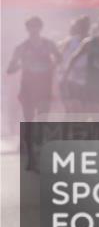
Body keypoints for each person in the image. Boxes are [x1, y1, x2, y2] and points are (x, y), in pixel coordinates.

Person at [6, 16, 61, 170]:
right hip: (28, 89)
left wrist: (51, 66)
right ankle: (31, 157)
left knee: (43, 122)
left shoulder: (48, 44)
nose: (34, 29)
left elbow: (60, 58)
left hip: (44, 88)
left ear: (40, 28)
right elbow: (10, 70)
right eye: (31, 27)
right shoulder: (21, 47)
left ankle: (40, 154)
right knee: (29, 122)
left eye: (37, 26)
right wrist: (22, 64)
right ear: (27, 29)